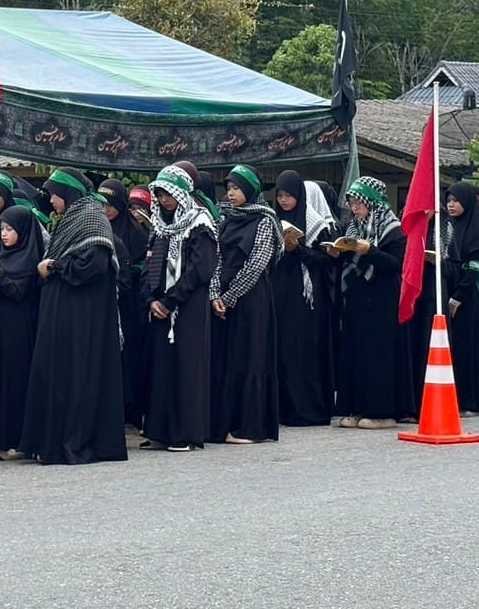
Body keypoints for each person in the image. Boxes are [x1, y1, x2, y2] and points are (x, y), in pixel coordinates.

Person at [19, 169, 127, 465]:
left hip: (81, 316)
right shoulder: (74, 217)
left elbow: (94, 266)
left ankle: (72, 442)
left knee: (75, 374)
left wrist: (53, 267)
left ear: (69, 193)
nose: (52, 202)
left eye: (55, 195)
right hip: (64, 311)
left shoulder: (92, 218)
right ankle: (51, 442)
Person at [140, 165, 217, 451]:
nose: (164, 200)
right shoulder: (160, 223)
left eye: (169, 194)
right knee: (161, 368)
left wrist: (171, 300)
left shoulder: (200, 223)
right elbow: (149, 263)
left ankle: (185, 434)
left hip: (188, 307)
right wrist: (151, 299)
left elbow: (200, 269)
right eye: (160, 194)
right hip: (160, 307)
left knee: (186, 368)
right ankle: (160, 431)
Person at [331, 177, 413, 428]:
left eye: (359, 202)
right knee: (356, 352)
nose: (354, 208)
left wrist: (371, 252)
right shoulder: (353, 228)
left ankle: (381, 412)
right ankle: (357, 408)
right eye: (352, 203)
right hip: (357, 300)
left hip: (381, 301)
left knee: (378, 355)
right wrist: (337, 253)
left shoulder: (392, 229)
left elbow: (397, 264)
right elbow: (348, 264)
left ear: (373, 202)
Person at [209, 165, 281, 444]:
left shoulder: (264, 220)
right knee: (226, 357)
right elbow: (216, 256)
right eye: (228, 188)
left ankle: (248, 427)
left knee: (249, 356)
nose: (231, 193)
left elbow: (257, 264)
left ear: (250, 190)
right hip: (222, 299)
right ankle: (223, 423)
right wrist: (215, 293)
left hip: (251, 300)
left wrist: (229, 297)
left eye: (236, 188)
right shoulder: (225, 217)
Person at [271, 171, 338, 427]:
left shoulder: (315, 223)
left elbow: (325, 260)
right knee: (282, 349)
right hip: (281, 292)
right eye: (280, 195)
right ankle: (282, 408)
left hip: (306, 297)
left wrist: (297, 249)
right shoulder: (274, 220)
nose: (284, 200)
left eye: (289, 195)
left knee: (301, 350)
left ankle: (306, 409)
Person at [0, 204, 42, 458]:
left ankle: (13, 440)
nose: (4, 234)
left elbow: (17, 292)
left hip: (17, 331)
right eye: (2, 228)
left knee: (12, 382)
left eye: (9, 229)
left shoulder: (29, 258)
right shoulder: (3, 255)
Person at [98, 179, 152, 429]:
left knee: (130, 356)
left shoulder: (136, 232)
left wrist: (131, 270)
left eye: (111, 204)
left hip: (130, 305)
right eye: (102, 204)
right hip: (108, 302)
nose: (106, 209)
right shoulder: (97, 227)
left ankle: (132, 409)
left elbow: (146, 262)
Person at [441, 183, 479, 416]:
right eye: (449, 200)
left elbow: (473, 270)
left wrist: (457, 298)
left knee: (467, 348)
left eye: (456, 201)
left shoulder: (477, 233)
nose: (451, 205)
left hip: (467, 300)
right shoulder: (449, 228)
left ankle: (470, 401)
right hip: (449, 292)